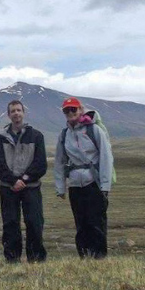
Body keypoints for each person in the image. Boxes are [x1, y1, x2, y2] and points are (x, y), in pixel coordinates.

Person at [54, 97, 114, 259]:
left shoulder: (94, 131)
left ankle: (100, 258)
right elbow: (59, 161)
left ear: (80, 110)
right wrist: (60, 187)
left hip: (93, 183)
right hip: (75, 185)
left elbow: (106, 158)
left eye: (73, 109)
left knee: (97, 223)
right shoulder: (64, 134)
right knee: (81, 224)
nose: (70, 113)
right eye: (67, 110)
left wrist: (105, 186)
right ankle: (84, 257)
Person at [0, 100, 48, 263]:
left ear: (23, 113)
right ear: (9, 115)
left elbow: (40, 164)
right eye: (13, 111)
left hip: (31, 187)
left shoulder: (36, 136)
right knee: (10, 223)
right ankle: (12, 258)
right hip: (8, 188)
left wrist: (23, 179)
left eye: (18, 110)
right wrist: (12, 181)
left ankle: (36, 258)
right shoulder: (1, 137)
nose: (16, 113)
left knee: (34, 222)